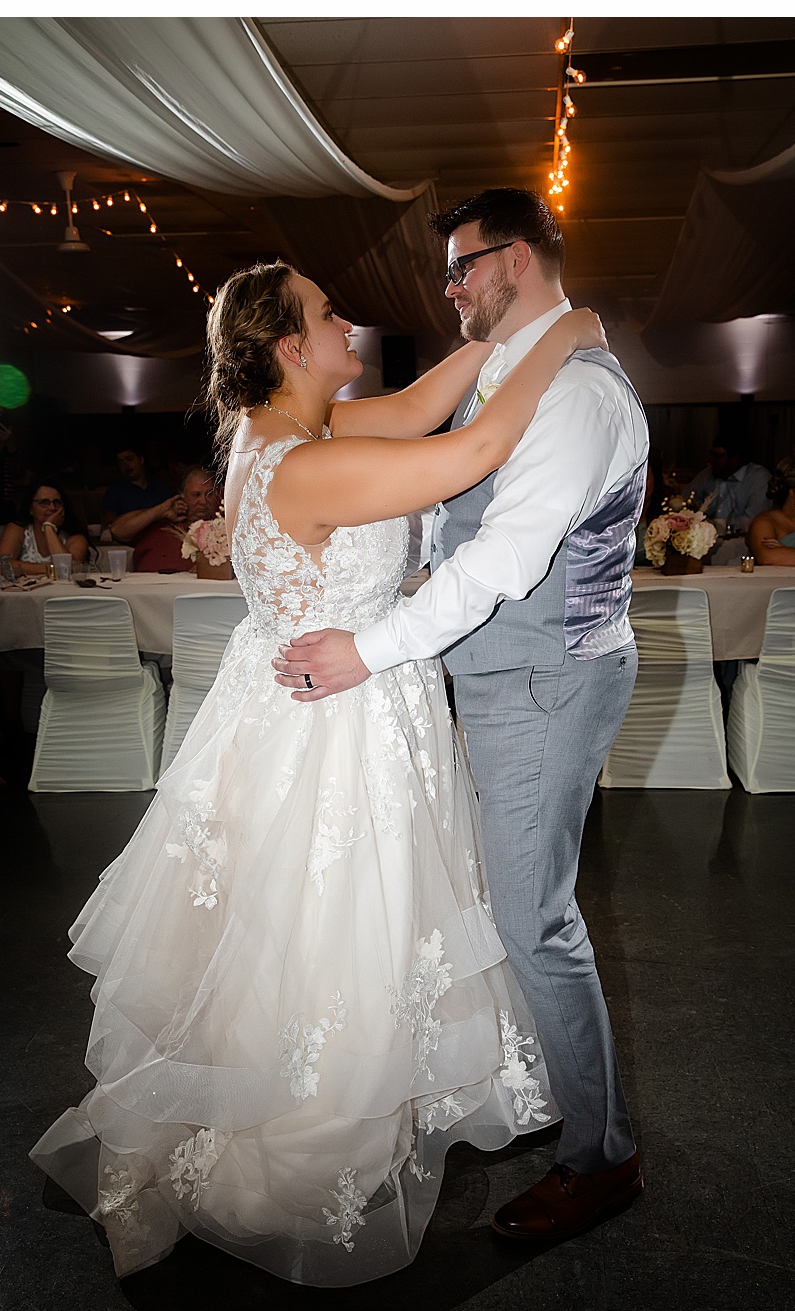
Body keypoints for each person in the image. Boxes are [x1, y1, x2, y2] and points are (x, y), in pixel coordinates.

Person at [30, 255, 609, 1285]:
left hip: (304, 703)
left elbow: (431, 398)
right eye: (328, 312)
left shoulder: (289, 436)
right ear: (293, 347)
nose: (351, 321)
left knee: (297, 922)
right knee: (341, 921)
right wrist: (567, 335)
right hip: (343, 722)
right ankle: (310, 1123)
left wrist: (508, 331)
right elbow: (474, 444)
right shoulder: (310, 465)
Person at [272, 188, 651, 1246]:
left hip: (543, 678)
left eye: (461, 267)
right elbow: (451, 504)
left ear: (516, 259)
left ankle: (603, 1154)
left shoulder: (577, 393)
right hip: (501, 672)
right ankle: (565, 1102)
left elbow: (504, 558)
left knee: (534, 918)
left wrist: (369, 644)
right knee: (512, 903)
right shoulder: (513, 369)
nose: (448, 289)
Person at [122, 467, 220, 573]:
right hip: (150, 585)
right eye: (196, 495)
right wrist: (161, 510)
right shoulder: (162, 522)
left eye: (209, 494)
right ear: (182, 495)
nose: (203, 501)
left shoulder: (222, 529)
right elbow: (117, 531)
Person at [0, 481, 89, 576]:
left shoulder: (76, 538)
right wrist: (52, 569)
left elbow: (66, 570)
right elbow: (3, 565)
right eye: (44, 502)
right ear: (31, 509)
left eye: (57, 502)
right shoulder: (17, 529)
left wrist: (48, 527)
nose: (52, 508)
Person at [686, 435, 771, 534]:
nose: (711, 460)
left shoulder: (758, 478)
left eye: (717, 456)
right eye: (711, 454)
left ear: (735, 458)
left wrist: (717, 526)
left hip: (741, 542)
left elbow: (753, 520)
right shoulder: (708, 474)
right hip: (704, 539)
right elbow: (685, 501)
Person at [101, 446, 173, 531]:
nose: (126, 465)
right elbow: (110, 517)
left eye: (129, 459)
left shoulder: (161, 488)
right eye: (121, 462)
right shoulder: (115, 490)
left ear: (141, 460)